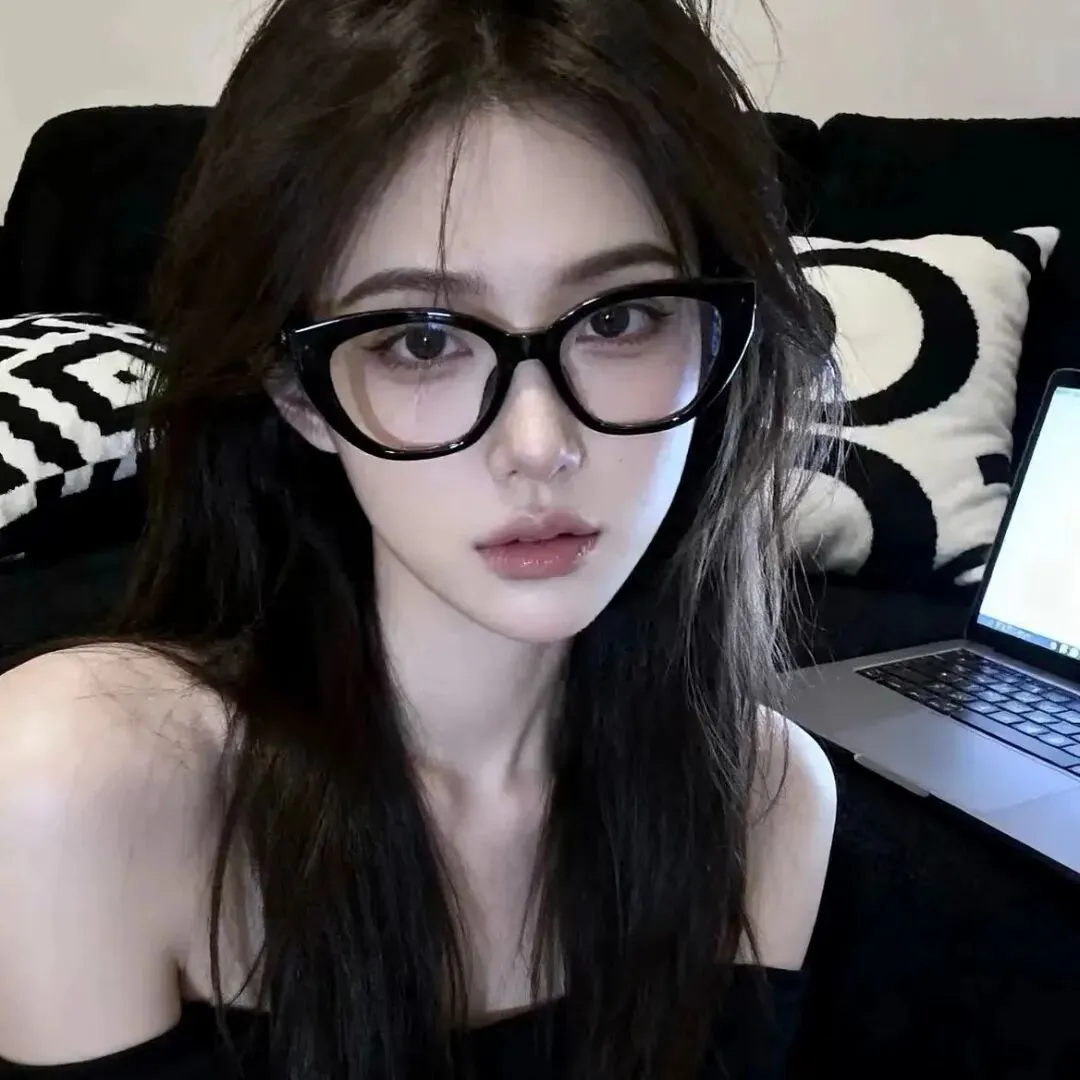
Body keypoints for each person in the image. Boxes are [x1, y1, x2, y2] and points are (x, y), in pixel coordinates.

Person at [0, 0, 838, 1077]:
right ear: (296, 389)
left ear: (719, 334)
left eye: (620, 317)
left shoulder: (764, 800)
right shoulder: (74, 783)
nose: (539, 445)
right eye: (423, 339)